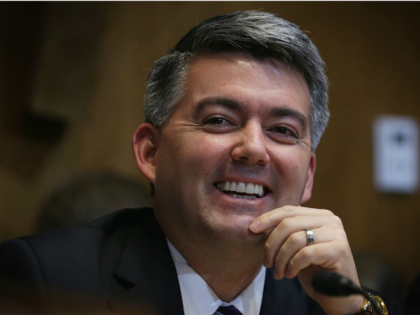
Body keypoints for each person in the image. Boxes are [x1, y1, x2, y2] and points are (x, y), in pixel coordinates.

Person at [0, 11, 399, 314]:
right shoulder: (45, 279)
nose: (254, 149)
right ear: (150, 153)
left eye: (282, 130)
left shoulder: (328, 300)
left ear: (307, 175)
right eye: (219, 121)